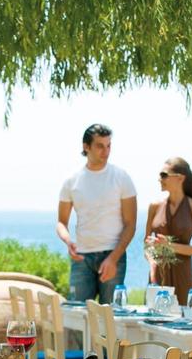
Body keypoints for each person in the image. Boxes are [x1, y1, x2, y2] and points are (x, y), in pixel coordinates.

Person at [57, 124, 137, 303]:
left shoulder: (122, 178)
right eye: (100, 146)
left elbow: (130, 224)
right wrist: (68, 241)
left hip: (113, 255)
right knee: (77, 318)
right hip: (81, 258)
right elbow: (61, 222)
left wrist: (113, 259)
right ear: (86, 147)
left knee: (111, 319)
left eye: (109, 146)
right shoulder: (71, 181)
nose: (106, 151)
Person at [144, 157, 192, 305]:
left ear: (180, 178)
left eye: (164, 175)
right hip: (157, 279)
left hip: (184, 278)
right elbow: (146, 244)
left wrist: (169, 246)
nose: (160, 179)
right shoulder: (154, 206)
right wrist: (152, 264)